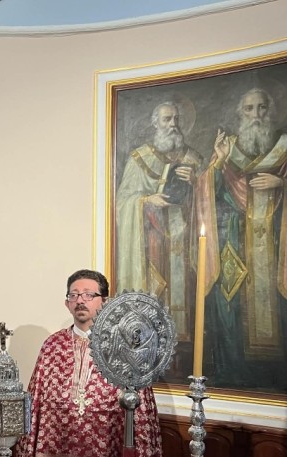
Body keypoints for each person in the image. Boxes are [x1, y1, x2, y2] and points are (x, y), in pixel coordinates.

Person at [13, 269, 166, 457]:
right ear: (67, 303)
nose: (80, 301)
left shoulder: (123, 347)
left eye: (88, 294)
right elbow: (34, 405)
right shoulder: (52, 345)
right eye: (73, 295)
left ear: (104, 301)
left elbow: (140, 412)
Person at [194, 88, 287, 388]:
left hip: (275, 248)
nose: (256, 114)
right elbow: (205, 192)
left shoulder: (284, 146)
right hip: (232, 248)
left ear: (271, 111)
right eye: (249, 109)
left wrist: (281, 182)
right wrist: (217, 164)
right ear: (240, 114)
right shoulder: (228, 148)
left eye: (262, 107)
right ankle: (233, 375)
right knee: (231, 308)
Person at [116, 101, 203, 340]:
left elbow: (209, 205)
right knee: (156, 287)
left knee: (182, 292)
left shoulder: (193, 159)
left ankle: (183, 346)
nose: (173, 124)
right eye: (167, 119)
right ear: (155, 124)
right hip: (151, 240)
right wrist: (146, 200)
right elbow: (122, 202)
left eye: (176, 119)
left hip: (182, 239)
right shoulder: (140, 158)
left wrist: (196, 182)